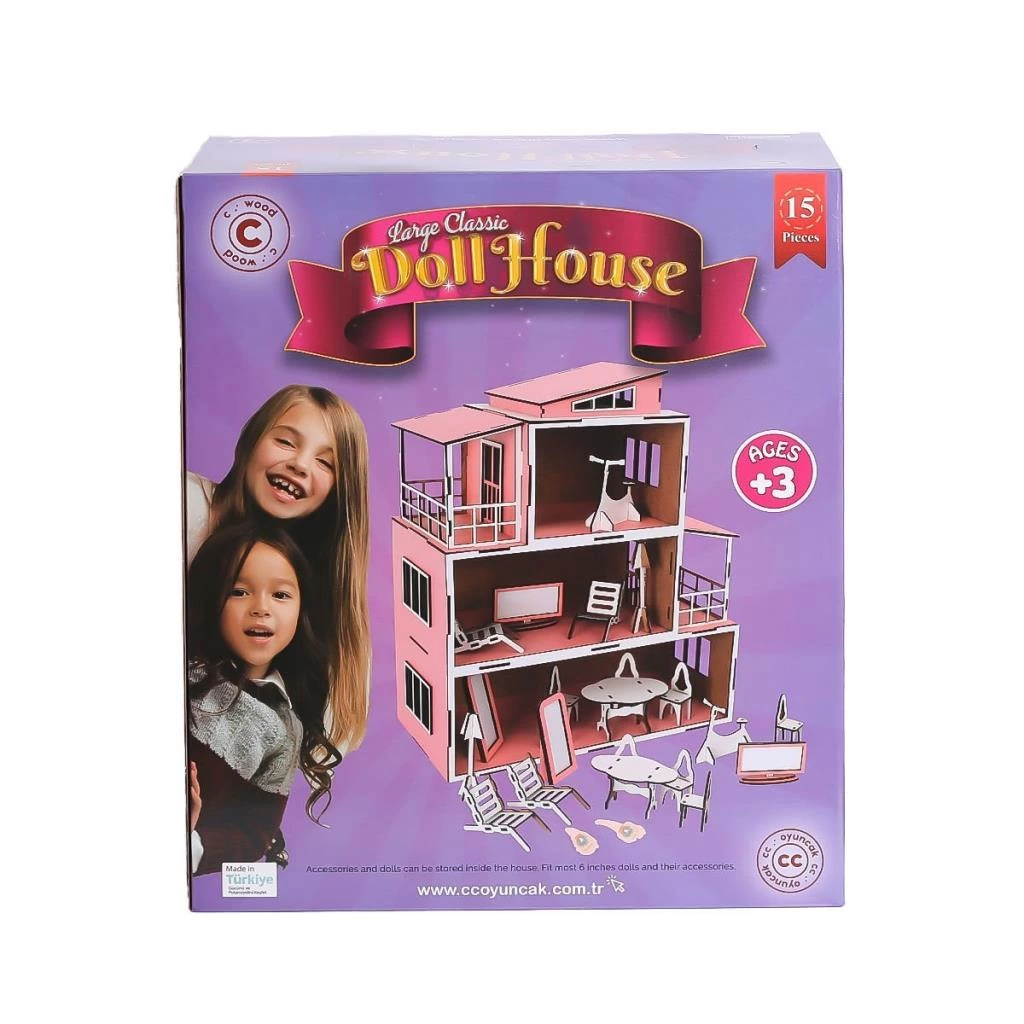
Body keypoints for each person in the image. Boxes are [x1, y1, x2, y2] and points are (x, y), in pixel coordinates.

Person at [185, 384, 370, 755]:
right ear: (251, 439)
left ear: (339, 490)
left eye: (325, 462)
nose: (300, 464)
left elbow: (334, 735)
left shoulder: (314, 589)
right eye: (286, 442)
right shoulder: (187, 504)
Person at [187, 523, 341, 876]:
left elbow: (253, 835)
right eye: (239, 591)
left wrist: (189, 839)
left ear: (302, 609)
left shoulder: (284, 728)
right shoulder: (186, 673)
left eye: (281, 595)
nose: (260, 608)